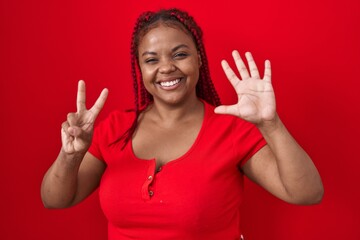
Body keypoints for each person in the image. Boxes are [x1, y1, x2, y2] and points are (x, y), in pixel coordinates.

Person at [41, 8, 324, 240]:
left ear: (199, 58)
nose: (166, 67)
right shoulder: (116, 128)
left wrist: (270, 124)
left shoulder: (231, 128)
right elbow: (55, 200)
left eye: (180, 54)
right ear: (140, 69)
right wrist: (70, 155)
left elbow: (307, 193)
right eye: (151, 59)